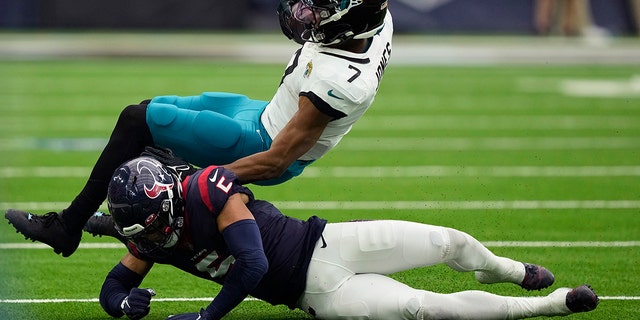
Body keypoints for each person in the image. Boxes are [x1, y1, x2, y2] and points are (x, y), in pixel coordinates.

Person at [5, 0, 393, 257]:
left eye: (319, 12)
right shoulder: (374, 23)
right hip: (263, 113)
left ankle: (68, 228)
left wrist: (207, 182)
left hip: (262, 141)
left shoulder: (339, 82)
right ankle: (136, 226)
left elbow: (276, 161)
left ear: (348, 24)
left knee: (135, 122)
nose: (306, 14)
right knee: (148, 123)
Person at [96, 155, 599, 320]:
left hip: (328, 241)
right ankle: (550, 306)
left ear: (169, 197)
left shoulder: (209, 189)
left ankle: (514, 272)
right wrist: (122, 306)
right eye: (144, 234)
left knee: (450, 241)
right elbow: (112, 287)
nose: (156, 239)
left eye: (157, 224)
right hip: (317, 293)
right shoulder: (150, 237)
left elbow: (253, 267)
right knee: (421, 308)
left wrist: (206, 317)